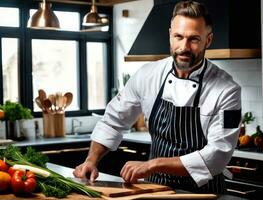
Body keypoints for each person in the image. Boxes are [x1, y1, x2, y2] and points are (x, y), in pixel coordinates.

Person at [73, 0, 241, 194]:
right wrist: (91, 160)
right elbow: (113, 121)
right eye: (178, 37)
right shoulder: (147, 75)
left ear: (208, 40)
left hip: (203, 192)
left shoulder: (227, 90)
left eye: (194, 39)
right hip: (154, 189)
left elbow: (218, 154)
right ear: (170, 34)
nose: (184, 47)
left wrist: (153, 164)